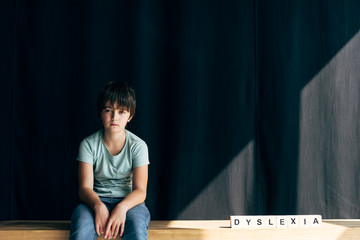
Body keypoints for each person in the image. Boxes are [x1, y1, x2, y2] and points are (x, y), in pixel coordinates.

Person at [69, 82, 150, 240]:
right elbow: (84, 188)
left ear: (130, 116)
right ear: (100, 112)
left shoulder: (138, 146)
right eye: (108, 110)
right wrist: (98, 205)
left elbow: (140, 191)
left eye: (121, 112)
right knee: (81, 231)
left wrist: (122, 207)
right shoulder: (88, 144)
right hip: (95, 201)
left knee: (138, 233)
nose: (114, 117)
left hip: (130, 203)